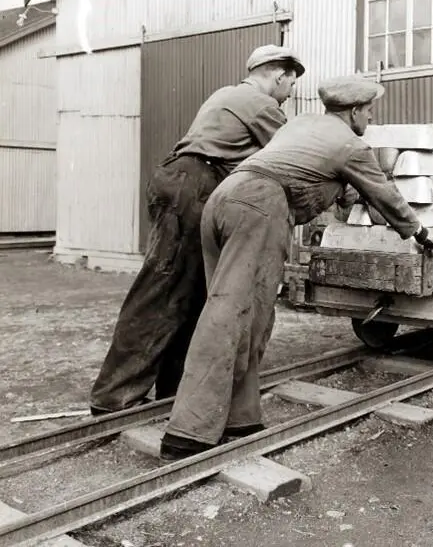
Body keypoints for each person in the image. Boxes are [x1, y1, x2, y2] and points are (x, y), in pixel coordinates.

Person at [160, 75, 433, 460]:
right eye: (369, 110)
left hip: (223, 201)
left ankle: (241, 418)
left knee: (250, 314)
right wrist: (419, 232)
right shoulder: (349, 144)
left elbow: (336, 185)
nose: (371, 118)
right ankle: (188, 432)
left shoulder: (303, 125)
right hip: (260, 207)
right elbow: (385, 195)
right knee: (229, 314)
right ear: (355, 111)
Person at [89, 45, 306, 415]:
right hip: (195, 185)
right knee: (163, 289)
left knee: (192, 293)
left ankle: (171, 392)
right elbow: (297, 153)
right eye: (291, 85)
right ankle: (114, 398)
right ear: (279, 75)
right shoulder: (258, 103)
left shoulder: (226, 96)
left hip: (185, 182)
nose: (289, 95)